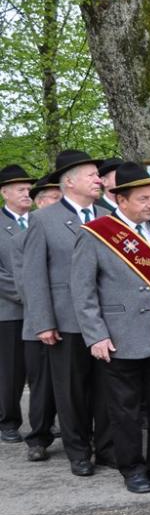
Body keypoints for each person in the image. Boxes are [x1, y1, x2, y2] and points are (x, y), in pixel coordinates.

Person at [71, 162, 150, 493]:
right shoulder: (96, 234)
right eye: (143, 199)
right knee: (125, 409)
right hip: (120, 336)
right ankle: (132, 468)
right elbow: (83, 291)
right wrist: (96, 335)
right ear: (121, 199)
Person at [22, 149, 113, 475]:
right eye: (92, 175)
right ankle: (78, 451)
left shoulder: (108, 216)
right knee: (71, 390)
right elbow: (33, 275)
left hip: (108, 319)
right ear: (69, 182)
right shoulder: (43, 220)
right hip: (65, 321)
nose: (99, 180)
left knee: (107, 388)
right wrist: (43, 322)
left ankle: (107, 448)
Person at [17, 175, 59, 460]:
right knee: (42, 385)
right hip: (39, 322)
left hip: (71, 320)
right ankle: (39, 437)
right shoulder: (22, 237)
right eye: (54, 199)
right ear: (40, 203)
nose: (60, 203)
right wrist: (44, 319)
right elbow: (26, 283)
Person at [0, 164, 36, 443]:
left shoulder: (39, 221)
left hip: (41, 311)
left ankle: (42, 421)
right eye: (20, 189)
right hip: (10, 310)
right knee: (11, 371)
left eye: (29, 189)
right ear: (4, 193)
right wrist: (31, 295)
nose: (27, 193)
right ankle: (8, 421)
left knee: (40, 370)